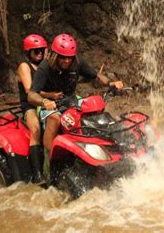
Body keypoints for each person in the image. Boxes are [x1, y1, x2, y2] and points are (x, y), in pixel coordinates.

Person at [27, 33, 124, 152]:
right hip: (49, 105)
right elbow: (31, 95)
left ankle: (108, 147)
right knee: (55, 119)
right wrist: (44, 101)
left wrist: (110, 83)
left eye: (70, 57)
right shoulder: (45, 67)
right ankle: (48, 160)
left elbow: (96, 76)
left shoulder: (77, 62)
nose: (67, 61)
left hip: (71, 100)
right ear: (55, 55)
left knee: (95, 110)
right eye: (63, 57)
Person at [16, 34, 61, 183]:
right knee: (35, 129)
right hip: (30, 105)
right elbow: (30, 91)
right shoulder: (24, 66)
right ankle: (38, 175)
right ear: (28, 52)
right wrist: (50, 96)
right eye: (36, 51)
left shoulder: (46, 65)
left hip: (48, 102)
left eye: (42, 49)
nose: (40, 53)